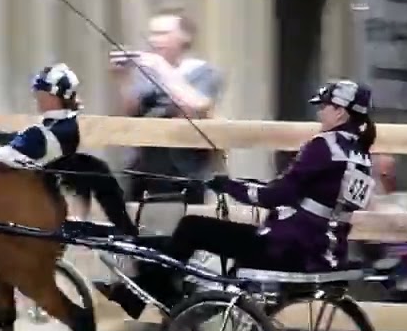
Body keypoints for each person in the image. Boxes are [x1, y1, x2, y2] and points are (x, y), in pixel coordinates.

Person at [96, 79, 376, 318]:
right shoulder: (361, 155)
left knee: (193, 226)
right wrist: (239, 185)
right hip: (327, 252)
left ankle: (145, 296)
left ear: (340, 112)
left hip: (289, 250)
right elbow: (300, 194)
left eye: (325, 107)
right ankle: (143, 291)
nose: (320, 114)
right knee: (190, 239)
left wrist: (228, 187)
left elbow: (274, 196)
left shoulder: (322, 146)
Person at [114, 9, 224, 204]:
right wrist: (122, 79)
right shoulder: (146, 71)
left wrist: (161, 67)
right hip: (142, 168)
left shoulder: (203, 72)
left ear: (185, 37)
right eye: (152, 33)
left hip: (185, 171)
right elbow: (131, 111)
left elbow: (197, 105)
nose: (154, 40)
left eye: (162, 33)